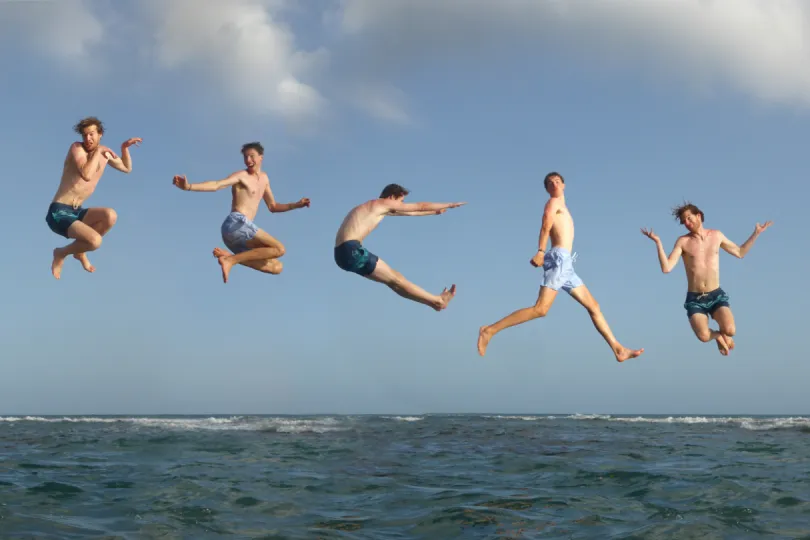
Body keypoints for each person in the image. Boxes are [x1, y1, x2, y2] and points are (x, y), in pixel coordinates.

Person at [477, 172, 644, 362]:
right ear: (547, 190)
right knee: (540, 309)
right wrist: (540, 250)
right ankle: (489, 330)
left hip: (566, 263)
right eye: (550, 183)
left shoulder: (563, 206)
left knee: (593, 306)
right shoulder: (553, 203)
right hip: (559, 259)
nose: (554, 184)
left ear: (564, 185)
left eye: (557, 181)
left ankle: (618, 349)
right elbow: (546, 223)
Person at [641, 202, 772, 355]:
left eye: (689, 219)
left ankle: (724, 335)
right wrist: (658, 242)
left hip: (715, 295)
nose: (687, 224)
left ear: (699, 216)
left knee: (730, 330)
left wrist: (756, 233)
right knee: (703, 336)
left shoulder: (716, 236)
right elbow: (666, 268)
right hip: (695, 298)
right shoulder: (683, 242)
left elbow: (740, 252)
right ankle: (717, 336)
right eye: (684, 222)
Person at [173, 142, 310, 283]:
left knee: (276, 267)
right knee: (280, 249)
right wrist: (188, 186)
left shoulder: (264, 179)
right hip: (236, 222)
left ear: (261, 157)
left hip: (238, 235)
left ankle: (228, 257)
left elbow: (273, 206)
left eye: (252, 156)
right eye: (245, 157)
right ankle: (231, 260)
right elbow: (216, 185)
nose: (248, 160)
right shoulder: (242, 175)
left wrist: (296, 205)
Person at [334, 183, 464, 311]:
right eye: (401, 201)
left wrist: (434, 212)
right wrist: (450, 204)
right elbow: (420, 206)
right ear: (392, 196)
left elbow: (411, 213)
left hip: (341, 255)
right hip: (352, 250)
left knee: (395, 281)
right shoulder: (382, 203)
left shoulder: (373, 207)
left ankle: (434, 303)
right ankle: (438, 301)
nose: (402, 205)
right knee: (397, 280)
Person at [46, 117, 142, 279]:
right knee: (95, 242)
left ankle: (80, 251)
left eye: (91, 134)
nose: (88, 139)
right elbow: (86, 175)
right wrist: (98, 152)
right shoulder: (77, 148)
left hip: (77, 212)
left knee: (110, 215)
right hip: (58, 213)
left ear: (100, 134)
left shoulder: (104, 152)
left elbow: (127, 168)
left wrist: (124, 149)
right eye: (85, 135)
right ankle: (61, 253)